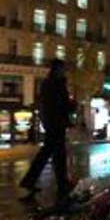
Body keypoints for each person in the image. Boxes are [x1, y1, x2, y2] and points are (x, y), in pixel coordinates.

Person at [20, 58, 75, 200]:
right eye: (62, 69)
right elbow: (61, 105)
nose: (64, 71)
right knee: (57, 154)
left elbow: (48, 105)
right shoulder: (56, 84)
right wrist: (71, 105)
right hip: (56, 123)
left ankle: (31, 180)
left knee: (49, 153)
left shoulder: (48, 83)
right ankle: (61, 184)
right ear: (57, 69)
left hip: (52, 123)